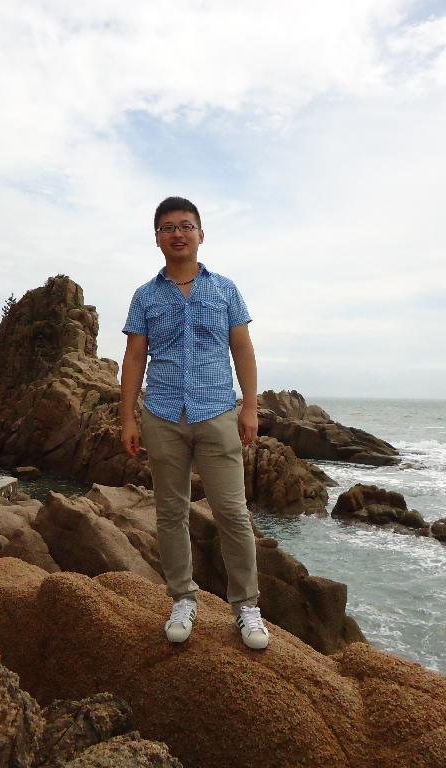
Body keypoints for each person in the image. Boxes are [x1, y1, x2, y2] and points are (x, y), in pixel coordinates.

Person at [120, 196, 269, 650]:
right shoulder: (145, 296)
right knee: (170, 513)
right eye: (168, 228)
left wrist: (249, 407)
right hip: (162, 414)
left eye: (185, 226)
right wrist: (127, 418)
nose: (178, 234)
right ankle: (182, 598)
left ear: (201, 235)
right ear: (157, 239)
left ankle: (246, 606)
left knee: (232, 513)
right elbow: (134, 357)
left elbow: (242, 348)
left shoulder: (225, 289)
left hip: (218, 412)